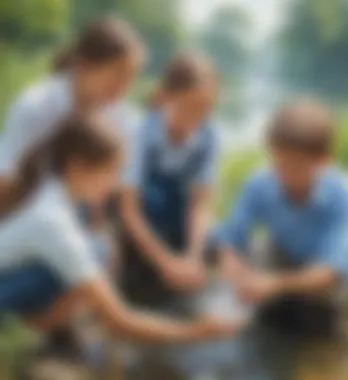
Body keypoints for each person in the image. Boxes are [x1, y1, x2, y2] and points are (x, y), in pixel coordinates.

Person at [0, 114, 241, 344]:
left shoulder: (49, 187)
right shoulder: (52, 222)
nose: (117, 185)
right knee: (94, 254)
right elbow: (120, 321)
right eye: (112, 172)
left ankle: (40, 322)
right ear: (77, 167)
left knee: (96, 250)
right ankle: (41, 324)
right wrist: (196, 331)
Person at [0, 16, 145, 355]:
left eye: (132, 77)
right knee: (63, 258)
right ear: (84, 66)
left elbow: (103, 193)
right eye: (118, 75)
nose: (124, 87)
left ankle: (57, 325)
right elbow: (6, 184)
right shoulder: (35, 106)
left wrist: (104, 240)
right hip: (22, 212)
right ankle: (28, 317)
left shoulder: (122, 117)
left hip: (66, 211)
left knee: (98, 251)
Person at [215, 99, 348, 339]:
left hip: (324, 270)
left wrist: (275, 284)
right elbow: (232, 235)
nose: (285, 174)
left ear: (324, 162)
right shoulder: (260, 182)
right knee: (255, 258)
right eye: (280, 163)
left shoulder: (343, 193)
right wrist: (230, 261)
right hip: (283, 253)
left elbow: (332, 269)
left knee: (319, 320)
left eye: (297, 166)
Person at [121, 53, 220, 307]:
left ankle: (180, 259)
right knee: (153, 199)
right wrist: (165, 262)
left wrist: (193, 257)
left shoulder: (210, 135)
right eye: (190, 107)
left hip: (178, 213)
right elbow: (128, 209)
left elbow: (201, 204)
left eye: (206, 107)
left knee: (217, 239)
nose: (198, 117)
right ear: (167, 97)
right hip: (141, 215)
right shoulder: (140, 131)